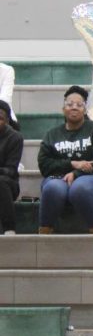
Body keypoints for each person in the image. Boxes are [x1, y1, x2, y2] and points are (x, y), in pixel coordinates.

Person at [37, 84, 93, 234]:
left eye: (79, 104)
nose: (74, 107)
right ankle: (44, 234)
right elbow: (44, 165)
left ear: (85, 109)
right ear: (63, 109)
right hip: (59, 179)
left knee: (80, 188)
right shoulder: (52, 134)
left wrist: (76, 174)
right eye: (69, 104)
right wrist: (72, 164)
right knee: (52, 188)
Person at [0, 99, 20, 236]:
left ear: (7, 120)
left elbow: (11, 170)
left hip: (8, 183)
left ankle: (9, 229)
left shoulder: (15, 137)